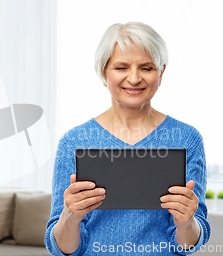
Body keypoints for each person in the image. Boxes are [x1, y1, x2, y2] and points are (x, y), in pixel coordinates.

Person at [45, 22, 211, 256]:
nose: (134, 79)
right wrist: (70, 217)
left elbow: (188, 245)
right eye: (121, 67)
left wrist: (186, 223)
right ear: (104, 72)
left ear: (161, 72)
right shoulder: (74, 142)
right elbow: (63, 250)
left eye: (146, 68)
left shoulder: (187, 139)